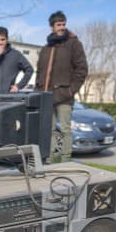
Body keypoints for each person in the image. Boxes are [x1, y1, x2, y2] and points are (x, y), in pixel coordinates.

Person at [35, 11, 88, 163]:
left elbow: (82, 69)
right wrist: (38, 92)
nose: (62, 27)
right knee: (49, 130)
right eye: (59, 24)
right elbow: (39, 72)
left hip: (64, 95)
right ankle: (50, 158)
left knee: (65, 129)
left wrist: (71, 90)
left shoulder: (74, 44)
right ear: (52, 27)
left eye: (64, 24)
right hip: (46, 96)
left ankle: (66, 159)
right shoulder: (45, 48)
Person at [0, 26, 34, 93]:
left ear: (7, 39)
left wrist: (19, 86)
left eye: (3, 39)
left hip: (9, 96)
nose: (0, 43)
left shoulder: (16, 55)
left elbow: (29, 69)